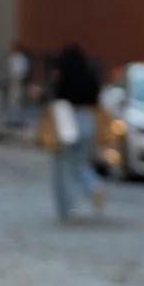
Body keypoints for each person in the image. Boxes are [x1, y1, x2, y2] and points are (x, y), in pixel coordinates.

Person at [45, 42, 102, 222]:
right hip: (86, 119)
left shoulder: (62, 77)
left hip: (66, 119)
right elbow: (96, 98)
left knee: (62, 168)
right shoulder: (89, 76)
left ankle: (67, 208)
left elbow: (56, 96)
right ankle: (92, 185)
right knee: (80, 163)